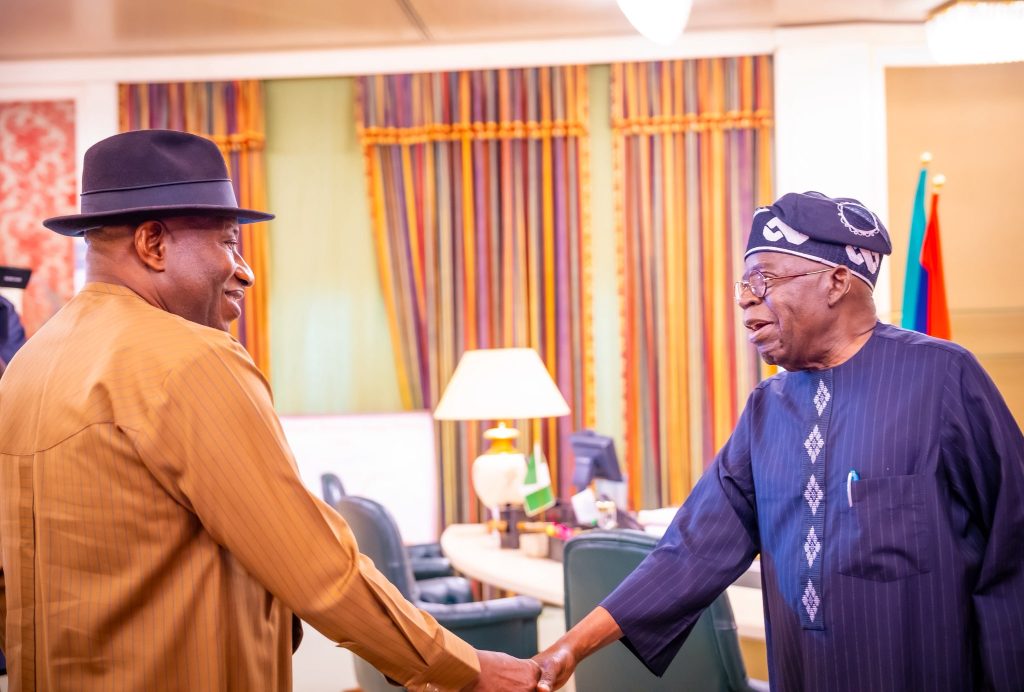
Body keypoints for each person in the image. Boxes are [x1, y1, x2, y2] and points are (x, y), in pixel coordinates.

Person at [0, 129, 540, 691]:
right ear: (152, 244)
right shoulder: (190, 361)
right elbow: (316, 567)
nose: (244, 270)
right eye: (228, 242)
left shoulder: (30, 364)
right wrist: (463, 669)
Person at [533, 192, 1024, 691]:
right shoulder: (766, 409)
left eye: (762, 280)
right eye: (742, 286)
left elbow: (1014, 548)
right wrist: (567, 648)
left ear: (835, 281)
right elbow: (691, 549)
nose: (746, 298)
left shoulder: (941, 378)